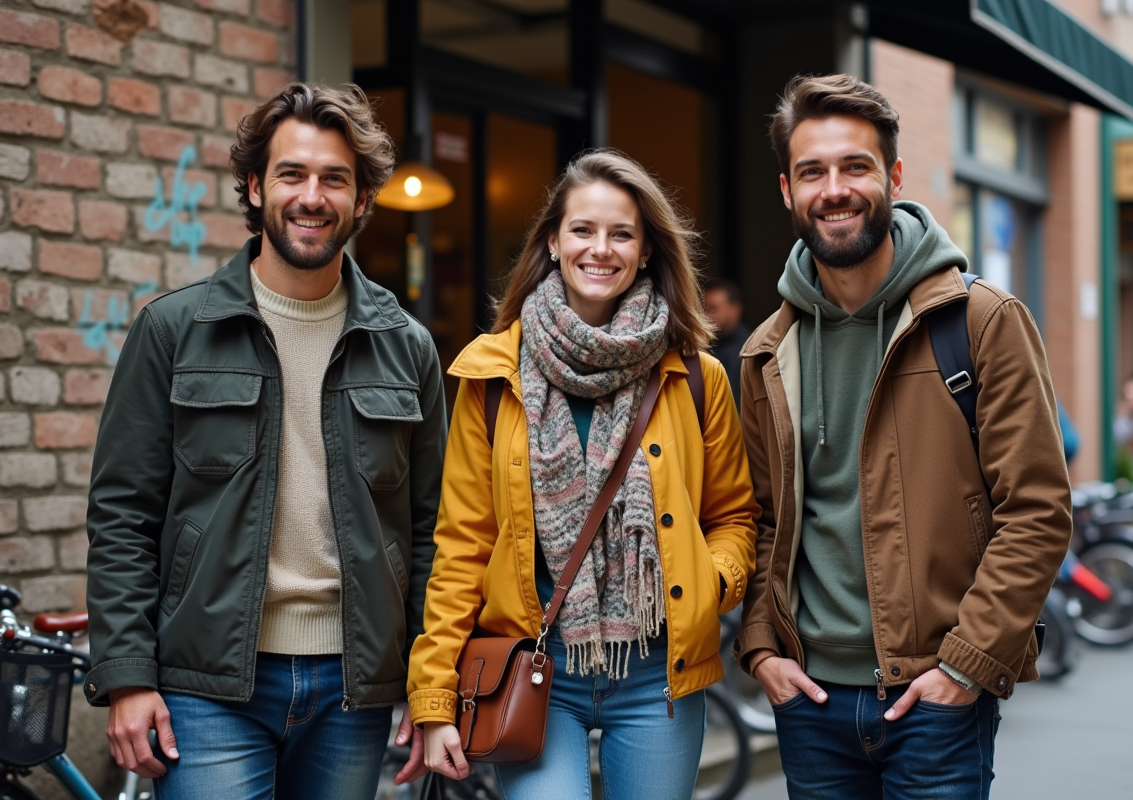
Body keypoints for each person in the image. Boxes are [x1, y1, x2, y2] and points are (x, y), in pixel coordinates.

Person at [85, 82, 447, 800]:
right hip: (206, 687)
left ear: (362, 199)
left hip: (353, 689)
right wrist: (127, 677)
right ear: (255, 187)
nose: (312, 197)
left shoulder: (407, 347)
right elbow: (123, 515)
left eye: (334, 179)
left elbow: (433, 529)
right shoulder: (173, 331)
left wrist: (428, 683)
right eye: (292, 174)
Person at [734, 74, 1072, 799]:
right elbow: (762, 520)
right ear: (787, 191)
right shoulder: (767, 352)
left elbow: (1037, 510)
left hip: (934, 699)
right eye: (812, 172)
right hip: (810, 701)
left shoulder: (980, 321)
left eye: (855, 166)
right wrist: (761, 647)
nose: (834, 190)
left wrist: (967, 664)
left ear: (892, 177)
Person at [398, 150, 758, 799]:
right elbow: (462, 546)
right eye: (583, 230)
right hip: (536, 667)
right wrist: (434, 693)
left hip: (658, 671)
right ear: (553, 242)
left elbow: (733, 517)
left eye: (622, 234)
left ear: (646, 251)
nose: (601, 248)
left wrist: (710, 582)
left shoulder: (697, 377)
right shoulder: (491, 376)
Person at [704, 278, 751, 407]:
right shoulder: (702, 346)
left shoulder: (748, 351)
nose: (707, 314)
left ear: (735, 309)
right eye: (705, 308)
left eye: (714, 308)